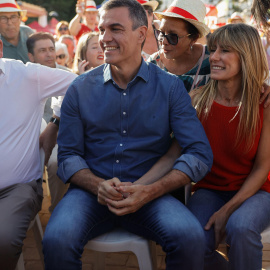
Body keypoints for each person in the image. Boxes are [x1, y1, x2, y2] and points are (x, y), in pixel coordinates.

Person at [42, 0, 213, 269]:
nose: (104, 38)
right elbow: (68, 156)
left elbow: (199, 153)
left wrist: (150, 190)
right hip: (90, 195)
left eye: (116, 29)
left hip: (151, 195)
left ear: (142, 34)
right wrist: (97, 185)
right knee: (56, 240)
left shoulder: (169, 88)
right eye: (102, 29)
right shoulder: (80, 88)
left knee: (190, 237)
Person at [139, 23, 270, 270]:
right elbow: (173, 154)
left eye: (226, 50)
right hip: (210, 189)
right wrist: (139, 187)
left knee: (240, 227)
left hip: (258, 191)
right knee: (189, 242)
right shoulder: (197, 100)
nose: (215, 57)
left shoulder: (263, 102)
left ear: (247, 55)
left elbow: (263, 168)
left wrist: (228, 210)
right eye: (214, 49)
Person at [0, 35, 77, 269]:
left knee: (2, 240)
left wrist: (56, 120)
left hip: (16, 187)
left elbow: (80, 83)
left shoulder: (25, 75)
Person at [27, 32, 71, 213]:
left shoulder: (68, 76)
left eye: (51, 49)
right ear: (31, 56)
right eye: (43, 50)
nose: (49, 54)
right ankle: (27, 208)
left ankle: (57, 210)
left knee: (56, 163)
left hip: (61, 136)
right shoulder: (24, 77)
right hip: (29, 138)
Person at [148, 0, 211, 92]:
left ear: (193, 38)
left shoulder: (212, 60)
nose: (164, 41)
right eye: (161, 33)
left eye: (172, 36)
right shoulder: (153, 64)